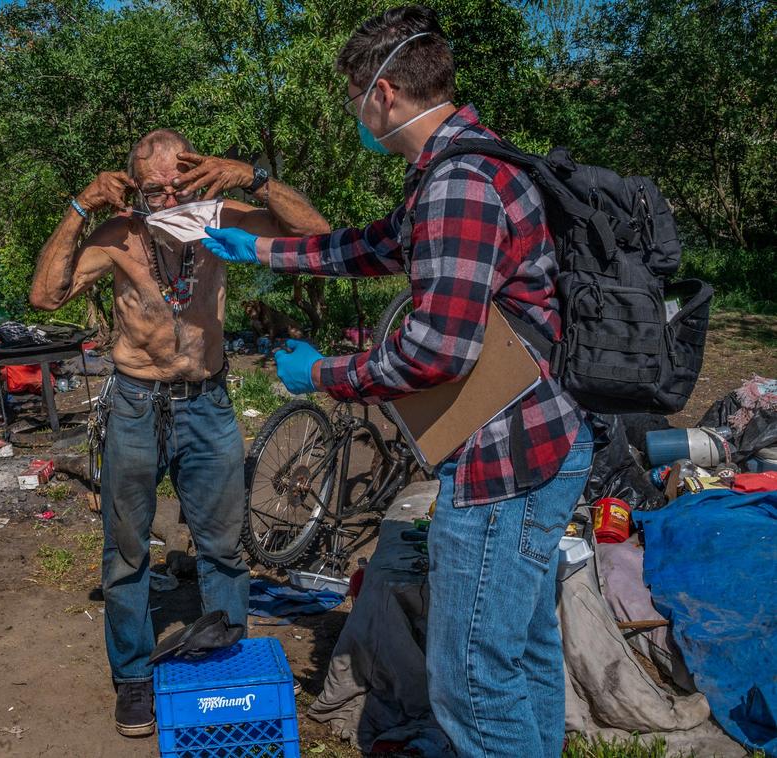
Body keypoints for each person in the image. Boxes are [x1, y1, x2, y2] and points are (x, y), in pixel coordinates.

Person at [201, 7, 591, 757]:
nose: (354, 112)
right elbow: (375, 247)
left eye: (353, 96)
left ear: (381, 94)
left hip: (505, 459)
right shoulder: (461, 167)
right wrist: (260, 250)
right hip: (539, 443)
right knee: (523, 652)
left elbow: (435, 354)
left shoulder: (459, 183)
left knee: (471, 679)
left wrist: (321, 374)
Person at [29, 129, 329, 737]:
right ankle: (135, 678)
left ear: (197, 175)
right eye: (153, 188)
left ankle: (223, 665)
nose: (169, 197)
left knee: (222, 545)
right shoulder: (118, 237)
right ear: (133, 190)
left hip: (208, 403)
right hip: (136, 404)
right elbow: (44, 296)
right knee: (128, 549)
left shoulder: (223, 223)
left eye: (179, 183)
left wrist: (253, 176)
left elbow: (319, 239)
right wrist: (81, 206)